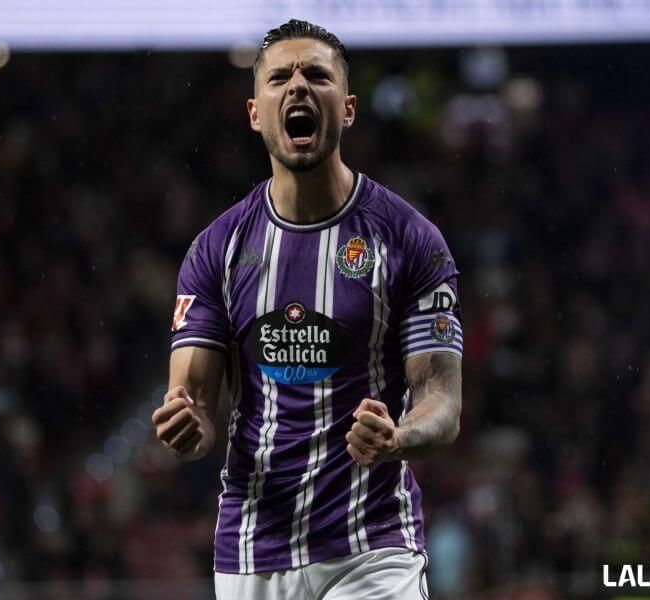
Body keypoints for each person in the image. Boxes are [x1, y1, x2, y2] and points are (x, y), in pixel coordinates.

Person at [152, 19, 463, 600]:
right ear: (253, 111)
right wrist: (185, 428)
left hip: (373, 545)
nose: (297, 87)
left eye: (316, 75)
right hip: (253, 551)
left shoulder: (410, 240)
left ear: (346, 109)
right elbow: (191, 406)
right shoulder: (216, 251)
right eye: (280, 78)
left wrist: (398, 434)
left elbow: (442, 401)